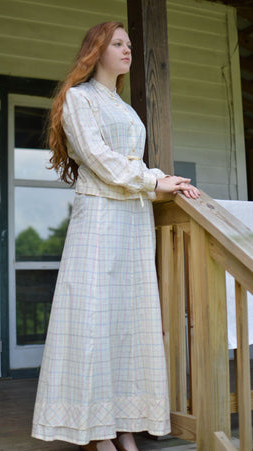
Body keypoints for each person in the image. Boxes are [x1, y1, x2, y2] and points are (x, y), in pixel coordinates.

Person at [32, 21, 200, 451]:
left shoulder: (124, 108)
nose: (127, 50)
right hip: (101, 217)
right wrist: (152, 181)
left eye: (129, 44)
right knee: (94, 319)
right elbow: (99, 158)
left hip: (132, 219)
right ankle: (97, 430)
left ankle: (124, 424)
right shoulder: (78, 98)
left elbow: (132, 161)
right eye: (118, 44)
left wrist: (169, 180)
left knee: (130, 321)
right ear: (96, 50)